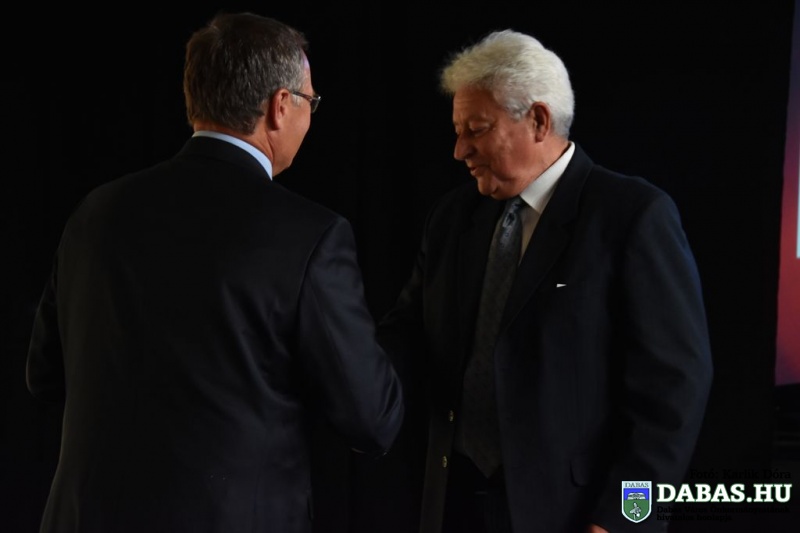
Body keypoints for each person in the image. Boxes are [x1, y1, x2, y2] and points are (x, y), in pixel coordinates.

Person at [25, 12, 404, 533]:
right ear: (279, 106)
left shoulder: (95, 213)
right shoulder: (311, 236)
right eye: (310, 101)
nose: (310, 114)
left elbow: (44, 377)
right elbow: (371, 418)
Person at [378, 29, 713, 533]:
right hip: (453, 504)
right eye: (458, 131)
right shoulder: (451, 218)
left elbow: (675, 391)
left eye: (476, 129)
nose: (459, 150)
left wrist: (625, 520)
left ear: (538, 120)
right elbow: (406, 335)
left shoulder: (632, 216)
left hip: (574, 515)